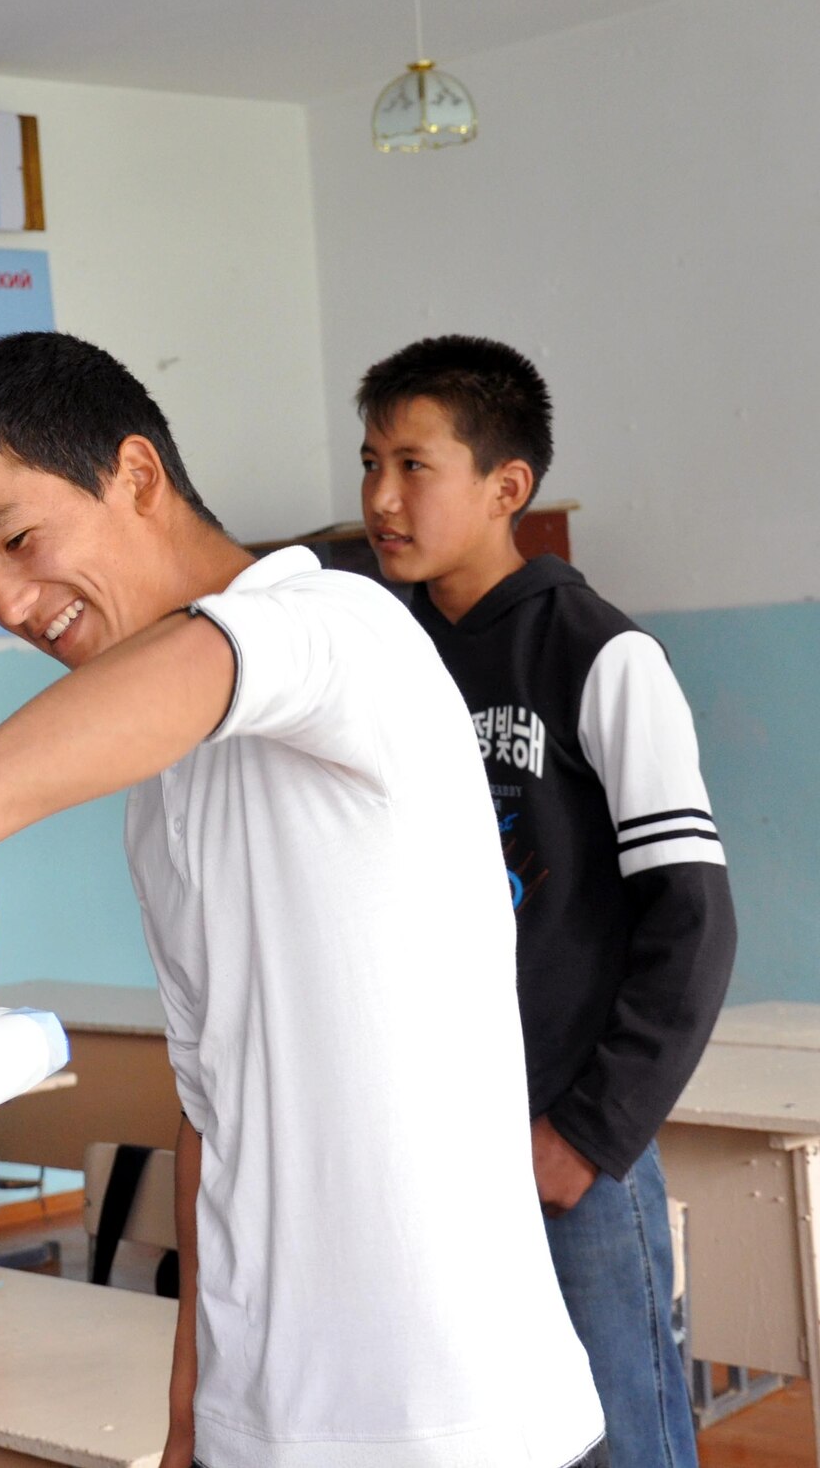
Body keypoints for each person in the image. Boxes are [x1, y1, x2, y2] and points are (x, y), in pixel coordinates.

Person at [0, 331, 606, 1468]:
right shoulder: (162, 787)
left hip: (455, 1421)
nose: (6, 600)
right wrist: (195, 1399)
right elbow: (209, 1110)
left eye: (16, 540)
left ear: (135, 475)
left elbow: (204, 663)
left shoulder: (344, 627)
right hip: (266, 1418)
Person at [359, 335, 736, 1467]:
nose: (379, 497)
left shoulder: (600, 654)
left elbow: (691, 922)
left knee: (621, 1439)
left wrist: (585, 1133)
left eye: (411, 465)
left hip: (561, 1146)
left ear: (503, 486)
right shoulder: (384, 659)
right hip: (419, 1146)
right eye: (368, 461)